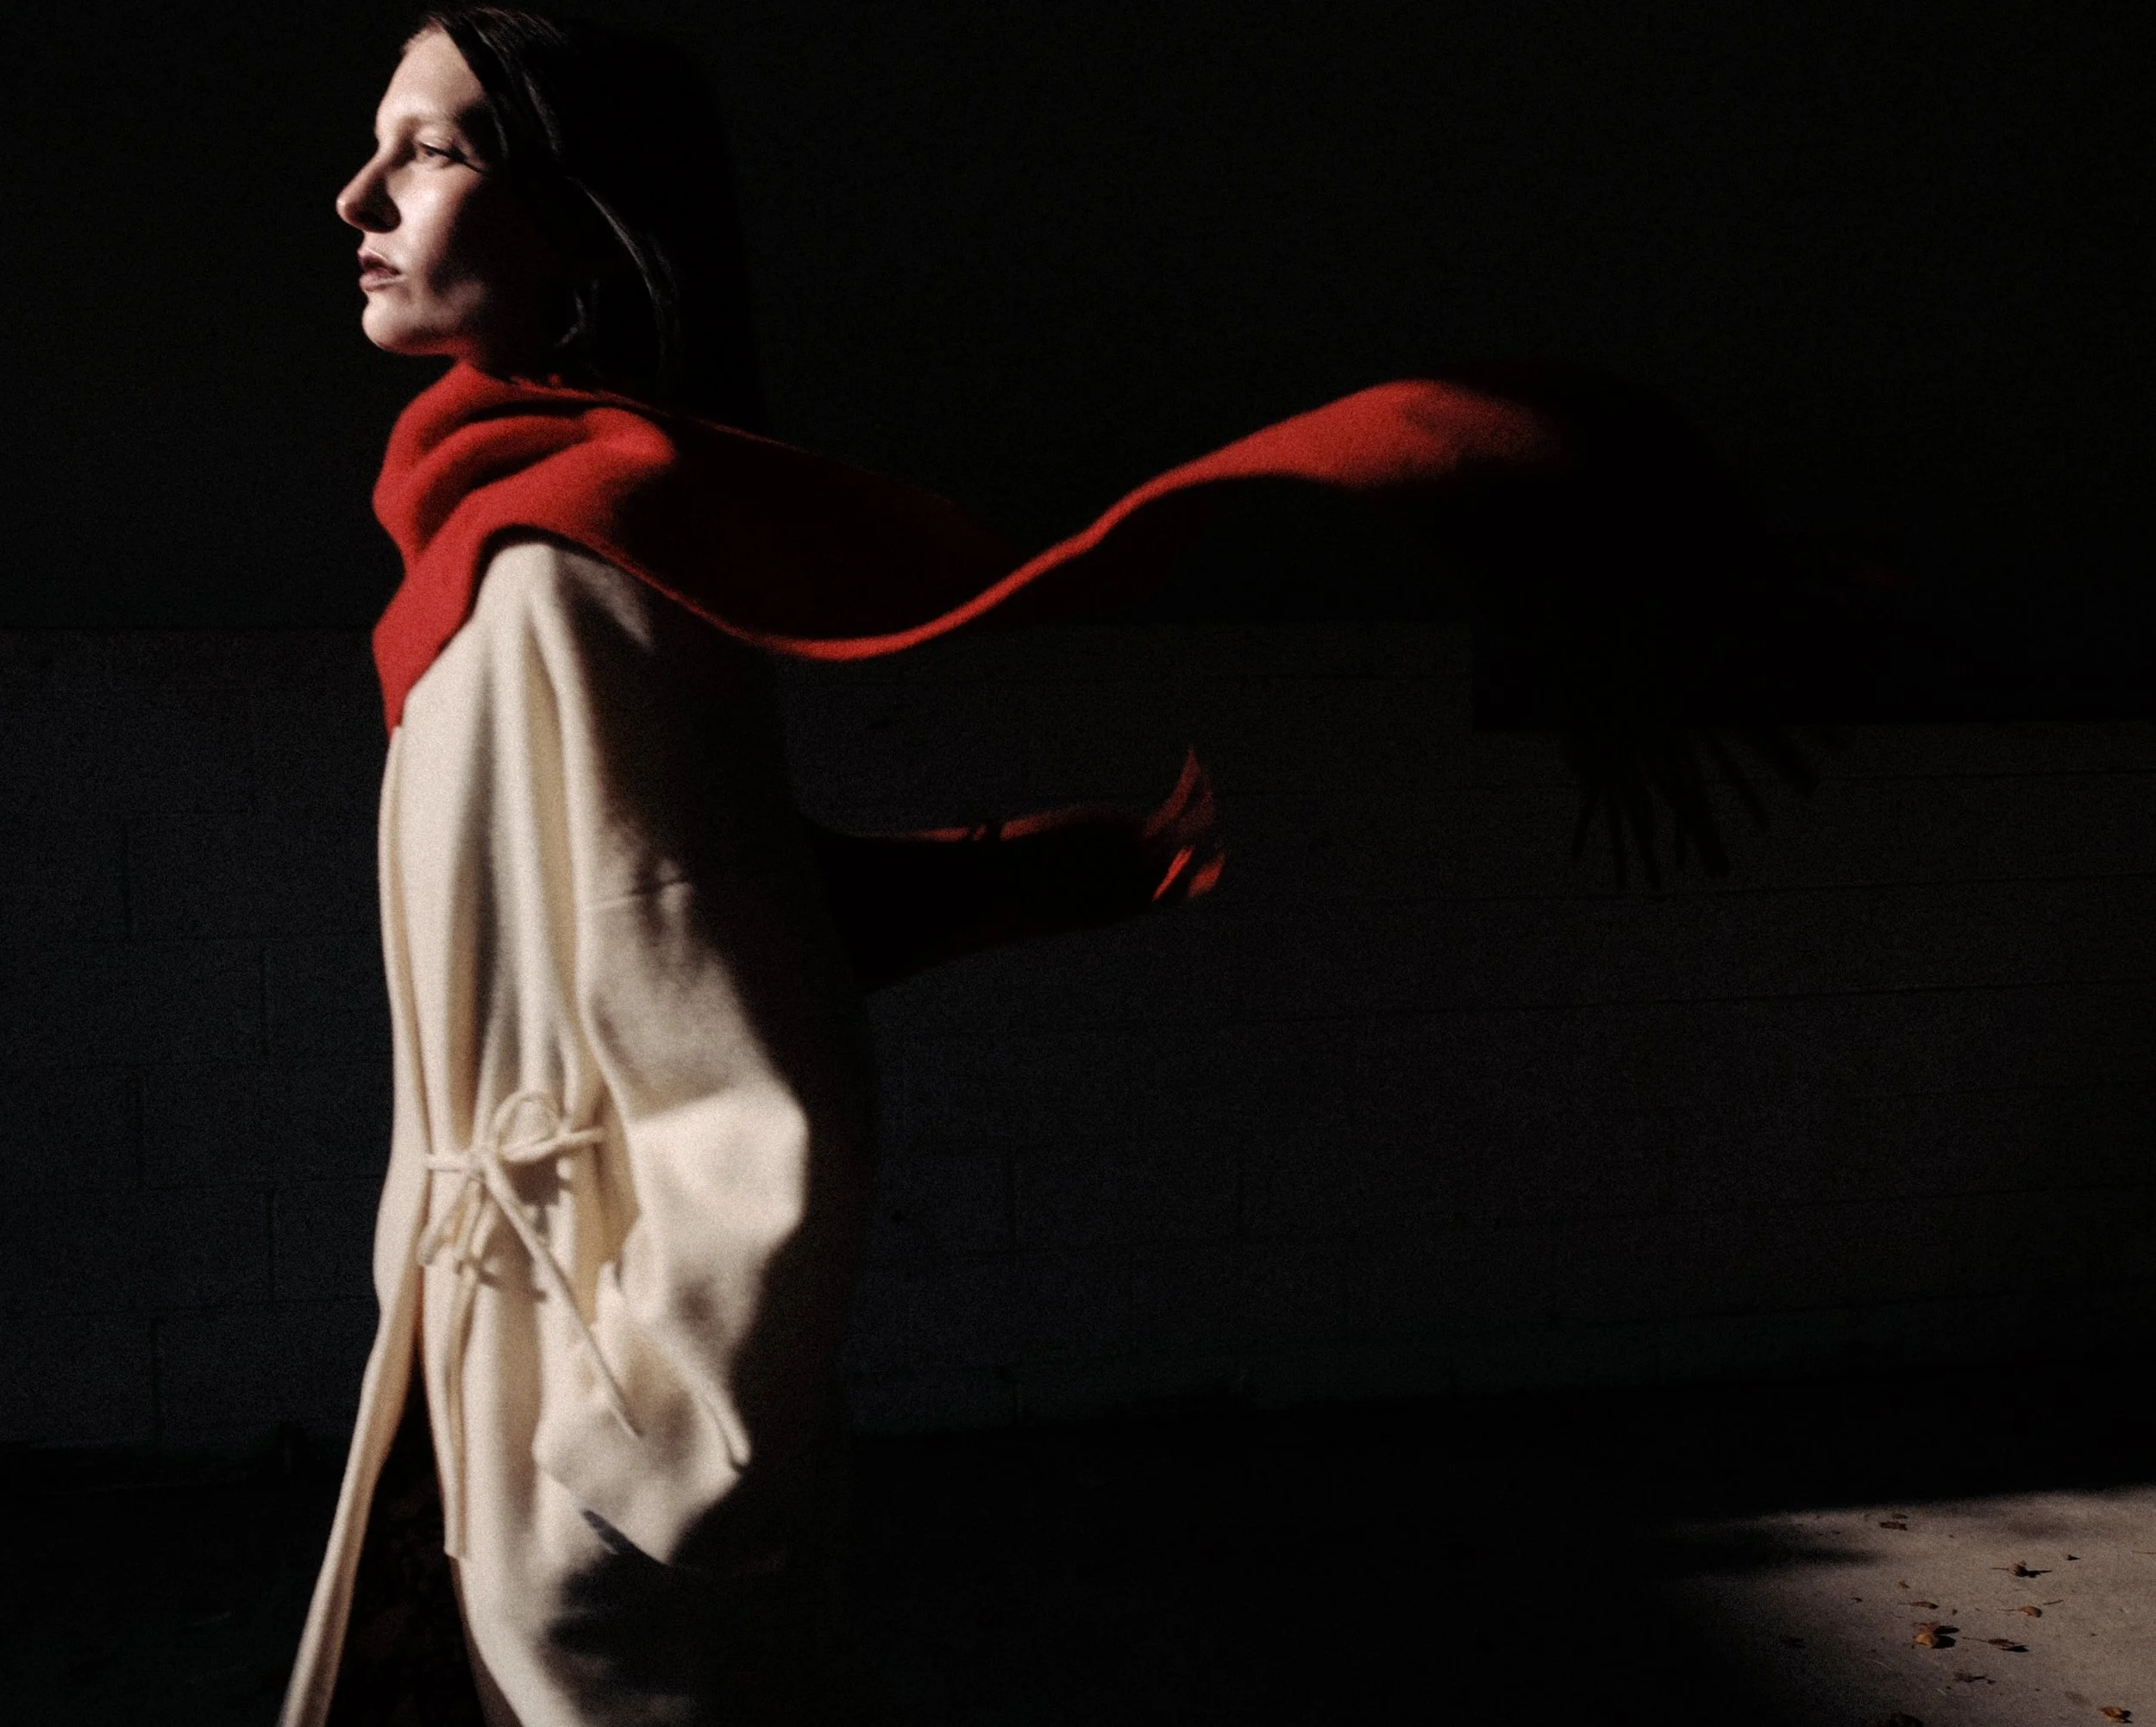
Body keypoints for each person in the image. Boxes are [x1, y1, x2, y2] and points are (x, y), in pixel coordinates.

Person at [285, 6, 1845, 1724]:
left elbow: (747, 1069)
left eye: (431, 151)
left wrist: (641, 1464)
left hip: (589, 1401)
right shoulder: (518, 540)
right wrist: (982, 880)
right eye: (379, 142)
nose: (359, 195)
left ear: (584, 222)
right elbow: (626, 921)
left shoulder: (557, 572)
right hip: (494, 1348)